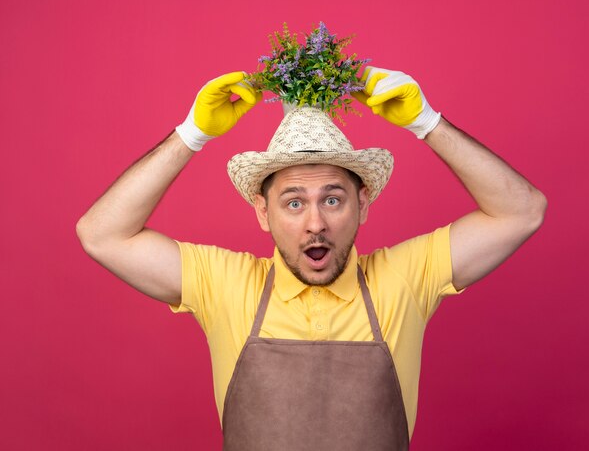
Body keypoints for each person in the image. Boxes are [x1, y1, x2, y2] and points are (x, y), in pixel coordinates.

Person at [76, 67, 547, 450]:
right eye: (294, 202)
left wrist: (427, 122)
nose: (315, 223)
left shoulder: (404, 277)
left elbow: (522, 211)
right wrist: (191, 133)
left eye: (334, 199)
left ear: (363, 203)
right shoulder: (223, 283)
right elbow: (102, 234)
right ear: (263, 212)